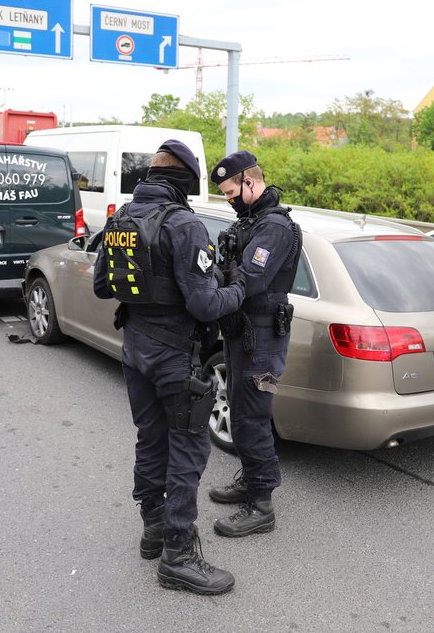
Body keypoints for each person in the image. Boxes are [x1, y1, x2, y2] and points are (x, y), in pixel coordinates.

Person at [93, 140, 245, 596]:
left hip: (134, 347)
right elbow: (203, 304)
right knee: (188, 451)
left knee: (150, 438)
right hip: (175, 355)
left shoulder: (120, 219)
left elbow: (103, 285)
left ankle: (154, 530)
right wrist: (236, 288)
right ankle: (178, 555)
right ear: (185, 181)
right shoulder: (183, 225)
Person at [208, 150, 301, 538]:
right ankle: (251, 479)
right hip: (241, 332)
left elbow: (252, 279)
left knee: (253, 416)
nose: (228, 199)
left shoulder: (275, 227)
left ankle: (262, 505)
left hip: (263, 338)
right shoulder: (251, 222)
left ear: (250, 181)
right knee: (240, 408)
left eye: (231, 191)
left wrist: (217, 284)